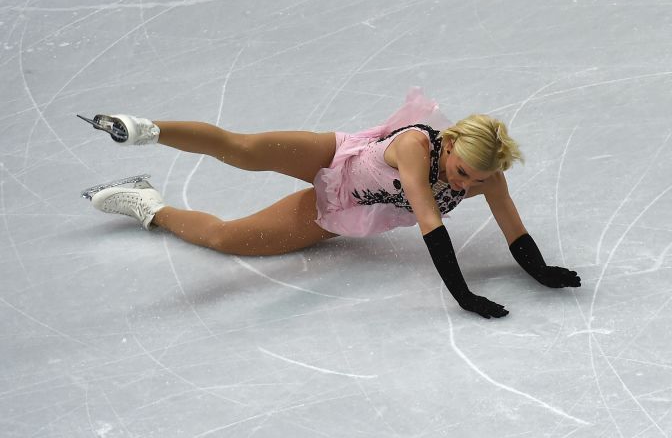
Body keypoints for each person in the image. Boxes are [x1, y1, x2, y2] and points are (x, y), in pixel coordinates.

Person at [80, 88, 581, 319]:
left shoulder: (488, 179)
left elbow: (514, 228)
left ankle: (147, 203)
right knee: (244, 150)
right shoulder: (415, 147)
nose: (469, 182)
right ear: (448, 144)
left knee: (227, 239)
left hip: (343, 211)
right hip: (336, 158)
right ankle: (145, 130)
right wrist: (464, 296)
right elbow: (431, 223)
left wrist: (540, 270)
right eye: (464, 171)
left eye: (481, 177)